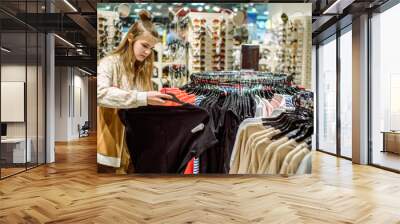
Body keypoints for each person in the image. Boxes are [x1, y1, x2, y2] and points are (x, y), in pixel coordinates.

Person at [97, 10, 172, 174]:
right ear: (130, 38)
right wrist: (142, 97)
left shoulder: (142, 69)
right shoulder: (108, 63)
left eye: (151, 48)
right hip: (111, 146)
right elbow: (100, 94)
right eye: (144, 45)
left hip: (136, 147)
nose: (147, 52)